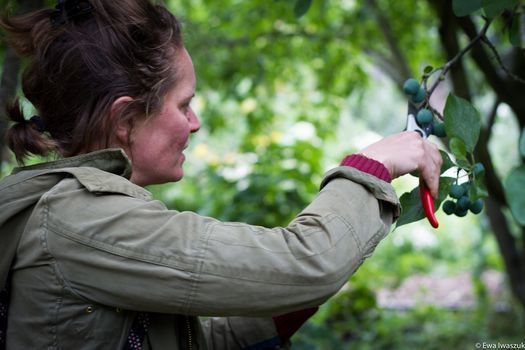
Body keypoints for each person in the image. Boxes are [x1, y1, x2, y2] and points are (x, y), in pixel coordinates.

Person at [0, 0, 442, 349]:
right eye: (183, 104)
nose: (195, 123)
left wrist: (284, 303)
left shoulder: (84, 215)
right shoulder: (81, 221)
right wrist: (371, 166)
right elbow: (306, 263)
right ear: (125, 120)